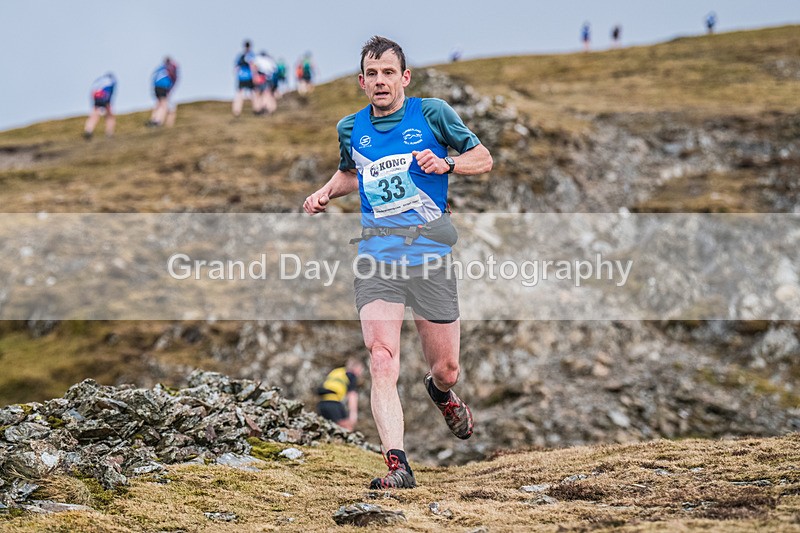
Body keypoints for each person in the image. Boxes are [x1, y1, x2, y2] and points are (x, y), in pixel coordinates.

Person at [303, 35, 493, 490]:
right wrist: (327, 191)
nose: (381, 81)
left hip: (431, 258)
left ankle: (441, 393)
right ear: (362, 82)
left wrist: (447, 164)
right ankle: (397, 466)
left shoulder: (432, 114)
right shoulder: (350, 128)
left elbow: (482, 158)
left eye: (389, 72)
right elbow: (354, 172)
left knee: (447, 368)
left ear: (404, 77)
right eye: (372, 74)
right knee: (381, 359)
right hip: (377, 260)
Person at [316, 358, 365, 431]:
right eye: (361, 369)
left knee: (327, 429)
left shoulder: (336, 371)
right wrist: (353, 416)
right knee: (345, 426)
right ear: (356, 367)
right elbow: (352, 396)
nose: (361, 373)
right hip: (333, 404)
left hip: (322, 404)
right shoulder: (351, 375)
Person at [147, 56, 179, 127]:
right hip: (164, 87)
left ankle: (154, 119)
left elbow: (153, 77)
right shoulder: (172, 67)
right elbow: (174, 79)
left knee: (158, 103)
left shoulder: (161, 68)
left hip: (156, 87)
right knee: (164, 104)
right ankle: (159, 121)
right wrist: (170, 89)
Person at [83, 72, 116, 139]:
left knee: (94, 115)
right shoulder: (112, 81)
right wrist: (108, 102)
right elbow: (110, 92)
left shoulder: (99, 80)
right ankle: (109, 132)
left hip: (96, 98)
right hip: (105, 97)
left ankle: (88, 130)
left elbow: (93, 91)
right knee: (110, 116)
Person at [233, 40, 257, 116]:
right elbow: (253, 66)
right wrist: (255, 75)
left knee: (239, 94)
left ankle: (237, 110)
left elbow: (235, 68)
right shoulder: (251, 55)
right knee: (253, 93)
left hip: (241, 77)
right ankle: (256, 109)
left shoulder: (240, 56)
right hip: (249, 76)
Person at [253, 50, 277, 115]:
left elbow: (254, 67)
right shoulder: (270, 60)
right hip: (268, 79)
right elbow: (274, 69)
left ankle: (259, 109)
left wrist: (255, 76)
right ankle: (267, 108)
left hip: (260, 78)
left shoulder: (257, 59)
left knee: (258, 94)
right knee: (266, 94)